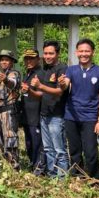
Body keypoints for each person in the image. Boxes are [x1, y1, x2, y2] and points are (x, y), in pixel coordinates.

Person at [59, 39, 99, 179]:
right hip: (71, 117)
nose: (84, 54)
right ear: (76, 52)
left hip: (91, 118)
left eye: (87, 51)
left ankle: (95, 180)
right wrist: (61, 83)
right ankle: (77, 178)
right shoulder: (71, 70)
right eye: (81, 51)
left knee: (90, 152)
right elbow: (65, 86)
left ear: (92, 52)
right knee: (74, 151)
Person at [30, 40, 68, 178]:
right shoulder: (44, 70)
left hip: (57, 115)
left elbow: (59, 91)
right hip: (44, 114)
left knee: (59, 149)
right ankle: (52, 175)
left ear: (58, 53)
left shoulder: (62, 69)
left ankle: (62, 177)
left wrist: (40, 86)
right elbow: (41, 93)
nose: (47, 56)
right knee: (48, 149)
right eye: (45, 53)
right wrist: (30, 90)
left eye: (51, 53)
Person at [0, 50, 22, 170]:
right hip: (0, 112)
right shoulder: (0, 74)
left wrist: (6, 80)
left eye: (6, 60)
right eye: (2, 60)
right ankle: (8, 166)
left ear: (12, 62)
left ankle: (15, 166)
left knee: (10, 139)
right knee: (1, 141)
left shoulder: (13, 73)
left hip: (9, 111)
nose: (3, 62)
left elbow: (13, 83)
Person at [20, 49, 44, 172]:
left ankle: (39, 168)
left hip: (35, 115)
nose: (29, 61)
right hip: (26, 115)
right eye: (27, 58)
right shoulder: (28, 73)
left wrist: (29, 91)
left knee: (37, 143)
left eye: (32, 58)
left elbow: (41, 94)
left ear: (38, 59)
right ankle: (32, 164)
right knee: (29, 142)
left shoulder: (40, 74)